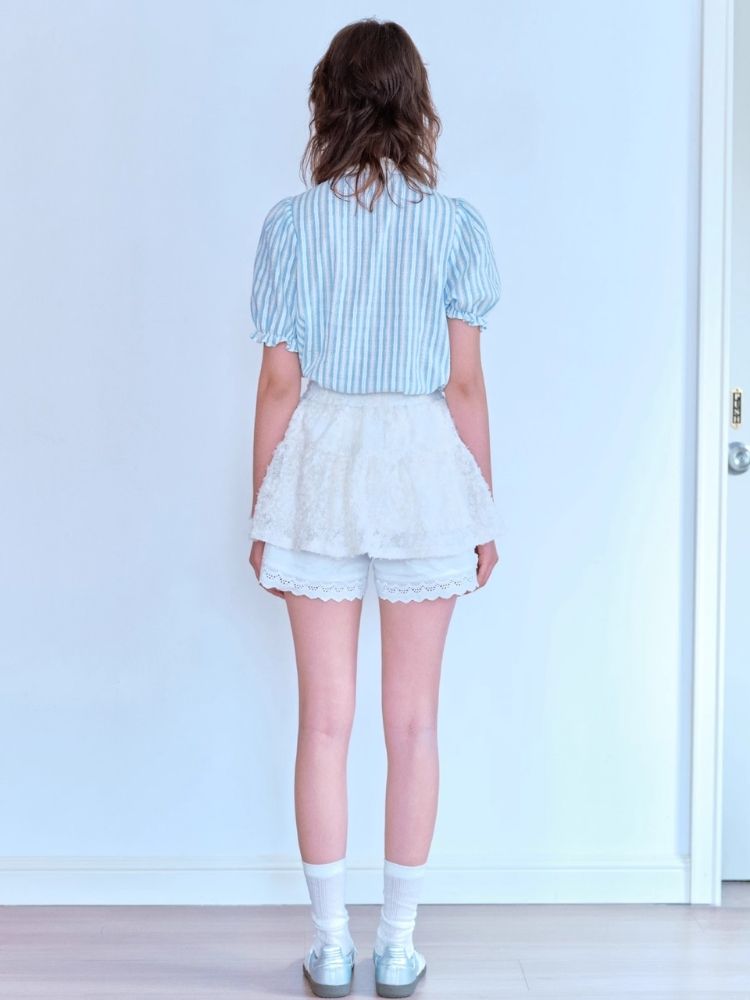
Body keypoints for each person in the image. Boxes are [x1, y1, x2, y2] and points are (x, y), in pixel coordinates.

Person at [247, 17, 502, 998]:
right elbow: (465, 385)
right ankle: (397, 946)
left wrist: (264, 510)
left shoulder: (290, 226)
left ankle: (330, 944)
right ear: (415, 104)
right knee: (415, 723)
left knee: (324, 721)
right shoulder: (455, 226)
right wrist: (482, 510)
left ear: (328, 104)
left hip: (320, 464)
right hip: (422, 469)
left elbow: (280, 384)